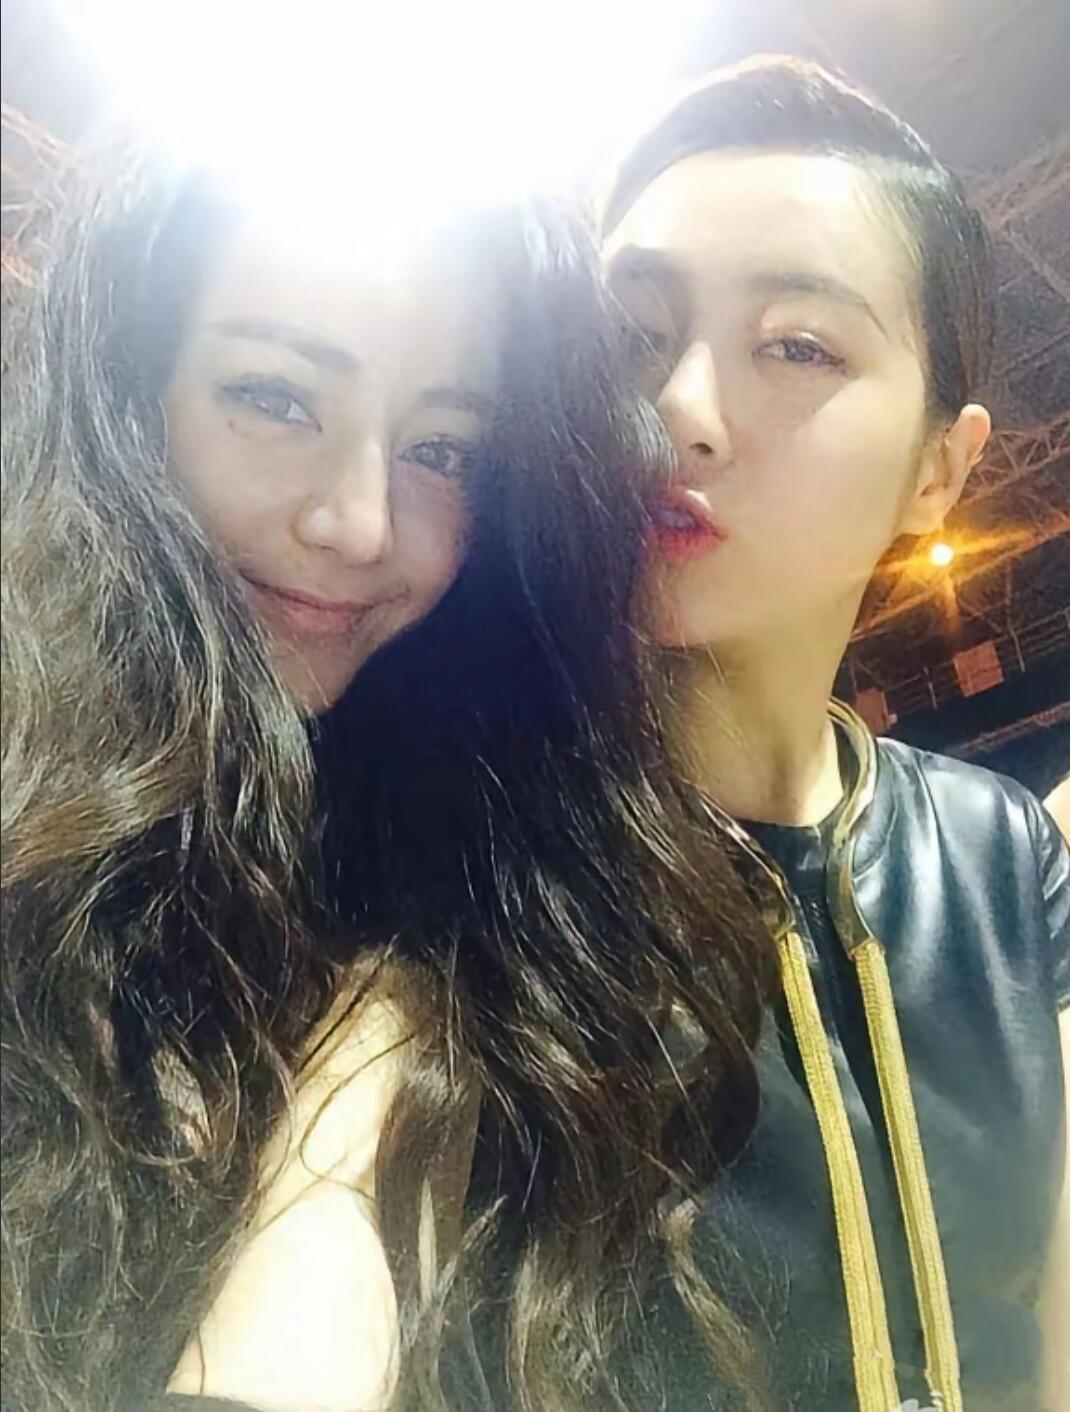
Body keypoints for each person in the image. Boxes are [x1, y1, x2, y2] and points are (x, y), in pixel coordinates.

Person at [1, 130, 775, 1412]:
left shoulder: (480, 850)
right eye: (275, 396)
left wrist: (366, 1079)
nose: (358, 524)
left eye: (443, 451)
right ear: (128, 387)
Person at [599, 55, 1070, 1412]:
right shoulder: (478, 865)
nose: (679, 409)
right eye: (629, 337)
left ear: (940, 471)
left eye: (798, 345)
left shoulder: (997, 853)